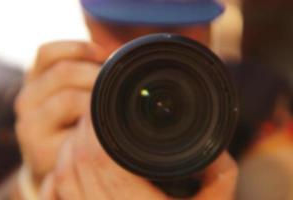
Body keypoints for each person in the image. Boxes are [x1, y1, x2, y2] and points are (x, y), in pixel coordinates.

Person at [14, 0, 238, 199]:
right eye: (120, 28)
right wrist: (33, 184)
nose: (145, 47)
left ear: (209, 30)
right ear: (87, 20)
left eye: (170, 29)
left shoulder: (257, 111)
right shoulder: (54, 100)